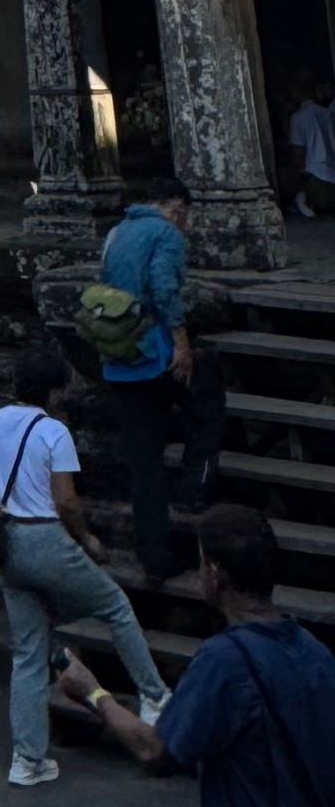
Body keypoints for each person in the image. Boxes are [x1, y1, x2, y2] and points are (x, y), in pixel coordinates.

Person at [58, 502, 335, 807]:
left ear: (216, 572)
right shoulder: (316, 653)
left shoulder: (224, 662)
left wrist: (93, 693)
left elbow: (157, 750)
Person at [0, 338, 169, 786]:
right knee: (116, 606)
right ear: (56, 392)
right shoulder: (53, 432)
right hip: (45, 535)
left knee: (27, 653)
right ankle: (154, 695)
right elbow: (66, 500)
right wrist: (87, 539)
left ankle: (27, 761)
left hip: (6, 538)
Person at [97, 177, 222, 577]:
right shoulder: (166, 233)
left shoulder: (117, 232)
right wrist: (182, 343)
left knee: (143, 460)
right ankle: (194, 490)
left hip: (118, 353)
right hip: (154, 352)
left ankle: (154, 553)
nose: (185, 226)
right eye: (186, 217)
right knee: (209, 406)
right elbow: (164, 289)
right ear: (176, 209)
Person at [280, 72, 335, 218]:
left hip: (317, 183)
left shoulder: (298, 117)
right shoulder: (327, 113)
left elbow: (298, 153)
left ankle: (307, 202)